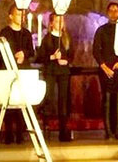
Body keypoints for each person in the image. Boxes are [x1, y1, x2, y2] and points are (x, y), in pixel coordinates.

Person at [0, 5, 35, 144]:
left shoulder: (26, 33)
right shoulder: (4, 33)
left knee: (21, 101)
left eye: (23, 15)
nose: (21, 18)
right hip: (9, 70)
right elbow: (0, 52)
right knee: (9, 101)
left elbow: (32, 51)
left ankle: (20, 132)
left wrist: (24, 54)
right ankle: (8, 133)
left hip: (23, 71)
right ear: (11, 16)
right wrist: (13, 56)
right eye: (18, 15)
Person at [92, 2, 118, 140]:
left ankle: (117, 131)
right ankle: (108, 131)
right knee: (107, 100)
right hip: (105, 69)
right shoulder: (101, 30)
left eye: (116, 10)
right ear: (107, 13)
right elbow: (96, 50)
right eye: (111, 10)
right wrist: (104, 67)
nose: (114, 13)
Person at [36, 13, 72, 142]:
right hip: (50, 71)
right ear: (51, 23)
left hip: (63, 72)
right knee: (49, 98)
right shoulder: (48, 38)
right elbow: (40, 57)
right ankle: (46, 127)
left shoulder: (66, 38)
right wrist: (52, 57)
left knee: (63, 100)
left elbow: (71, 54)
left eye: (61, 21)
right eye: (57, 21)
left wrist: (66, 60)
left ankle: (63, 130)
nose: (60, 24)